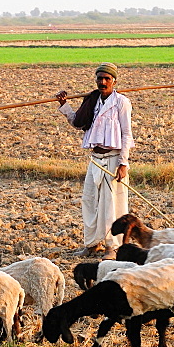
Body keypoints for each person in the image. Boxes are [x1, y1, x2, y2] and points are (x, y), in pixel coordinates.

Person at [56, 62, 134, 258]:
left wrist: (123, 163)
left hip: (114, 160)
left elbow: (126, 134)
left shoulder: (121, 102)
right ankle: (91, 244)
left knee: (112, 205)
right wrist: (64, 105)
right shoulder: (92, 101)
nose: (103, 82)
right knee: (89, 201)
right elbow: (77, 121)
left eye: (107, 78)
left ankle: (112, 247)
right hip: (96, 160)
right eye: (100, 78)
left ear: (114, 81)